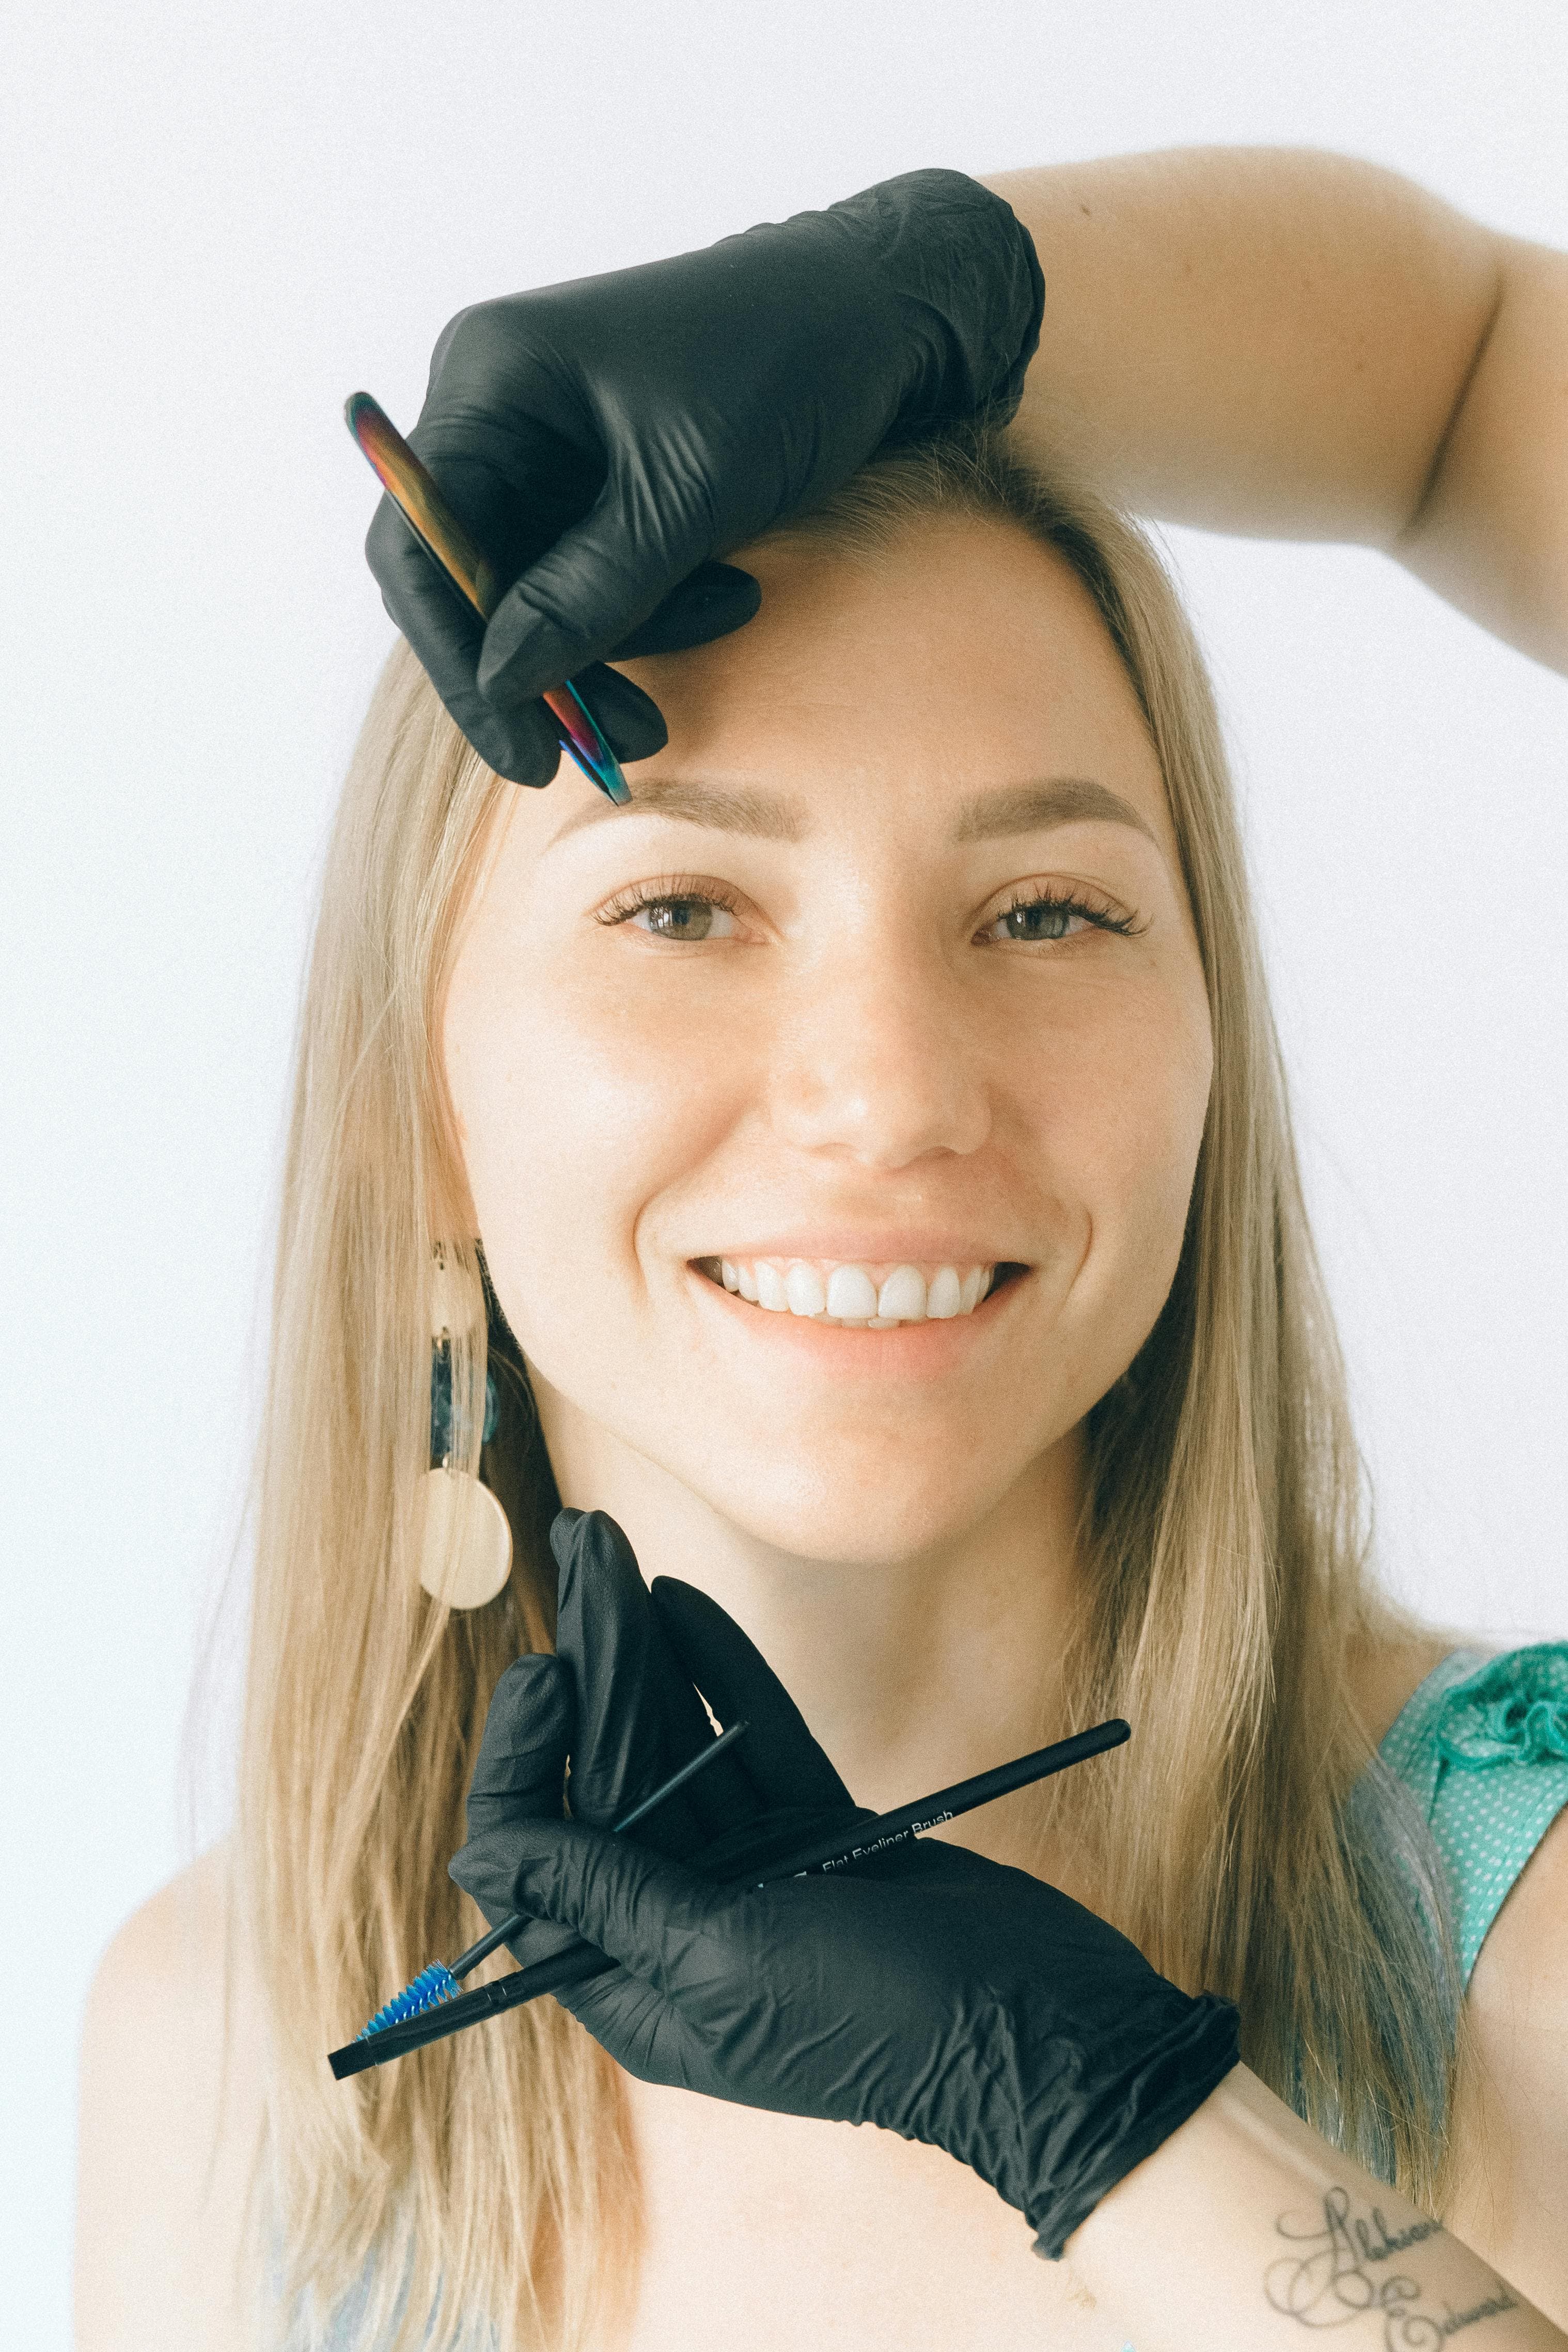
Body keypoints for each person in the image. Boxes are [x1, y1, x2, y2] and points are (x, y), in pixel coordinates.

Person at [75, 151, 1568, 2351]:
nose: (890, 1092)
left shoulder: (1531, 1939)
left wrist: (1109, 2112)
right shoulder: (218, 2063)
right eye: (681, 906)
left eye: (1045, 911)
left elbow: (1476, 381)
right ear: (422, 1121)